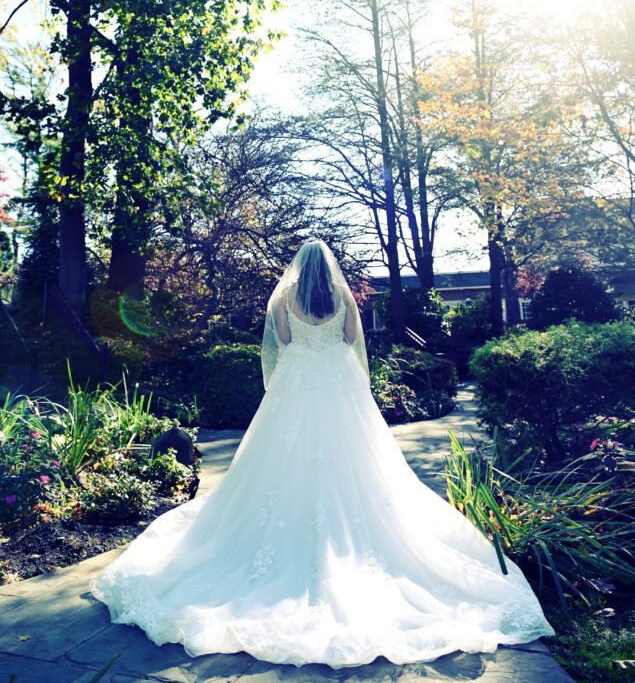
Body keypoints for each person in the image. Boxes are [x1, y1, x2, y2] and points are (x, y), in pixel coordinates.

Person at [90, 239, 553, 667]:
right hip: (338, 383)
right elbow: (355, 341)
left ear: (298, 265)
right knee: (359, 463)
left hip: (295, 383)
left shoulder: (284, 297)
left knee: (278, 462)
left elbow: (279, 345)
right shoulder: (342, 296)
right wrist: (351, 377)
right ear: (327, 266)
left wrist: (284, 381)